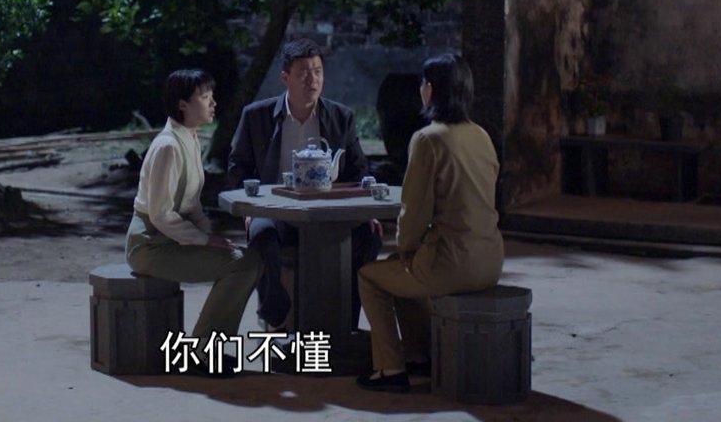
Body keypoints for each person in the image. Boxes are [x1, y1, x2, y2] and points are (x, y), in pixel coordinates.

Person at [355, 53, 504, 393]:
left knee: (371, 276)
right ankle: (420, 354)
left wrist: (407, 248)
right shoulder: (481, 135)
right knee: (402, 267)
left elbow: (413, 212)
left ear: (431, 90)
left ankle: (390, 368)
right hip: (490, 261)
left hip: (451, 264)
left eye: (423, 83)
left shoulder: (428, 139)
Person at [227, 38, 383, 331]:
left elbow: (359, 169)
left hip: (329, 214)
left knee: (368, 236)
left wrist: (367, 211)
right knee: (261, 234)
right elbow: (238, 167)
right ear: (285, 77)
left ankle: (346, 321)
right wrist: (250, 211)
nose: (313, 80)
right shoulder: (257, 116)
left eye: (318, 71)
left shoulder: (340, 117)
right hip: (275, 212)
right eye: (303, 73)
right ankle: (274, 310)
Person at [127, 69, 263, 376]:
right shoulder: (167, 146)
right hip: (150, 245)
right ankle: (202, 352)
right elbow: (161, 214)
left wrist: (211, 237)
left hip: (171, 239)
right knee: (242, 265)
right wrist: (206, 241)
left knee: (247, 260)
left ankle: (207, 348)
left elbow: (191, 205)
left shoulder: (188, 138)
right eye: (204, 96)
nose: (213, 102)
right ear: (182, 105)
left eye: (211, 95)